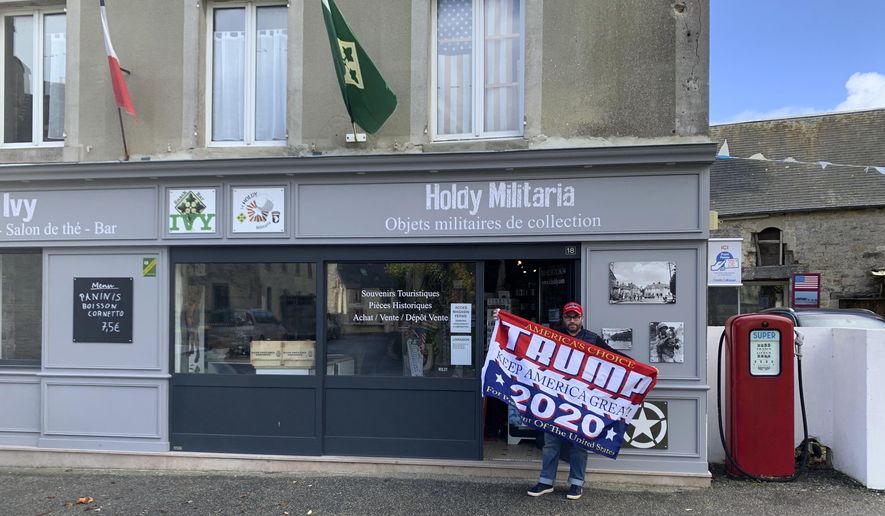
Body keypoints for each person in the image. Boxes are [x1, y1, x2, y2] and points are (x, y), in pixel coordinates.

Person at [525, 301, 626, 501]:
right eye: (568, 317)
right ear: (563, 318)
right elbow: (527, 344)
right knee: (550, 442)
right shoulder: (554, 337)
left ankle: (576, 484)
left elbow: (616, 359)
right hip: (555, 397)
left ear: (582, 318)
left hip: (583, 401)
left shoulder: (593, 339)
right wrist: (501, 320)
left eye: (576, 317)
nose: (572, 320)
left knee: (579, 444)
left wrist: (643, 371)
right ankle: (546, 482)